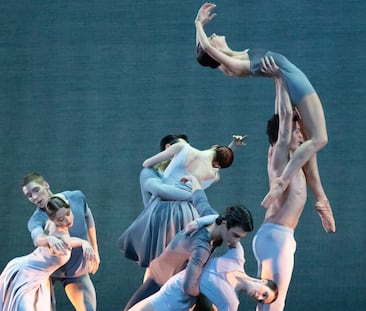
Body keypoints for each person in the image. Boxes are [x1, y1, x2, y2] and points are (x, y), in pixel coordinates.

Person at [194, 2, 335, 232]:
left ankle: (321, 201)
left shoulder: (233, 58)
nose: (215, 34)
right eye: (211, 38)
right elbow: (207, 52)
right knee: (320, 139)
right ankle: (283, 183)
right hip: (291, 78)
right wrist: (198, 24)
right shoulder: (233, 65)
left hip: (286, 80)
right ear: (213, 50)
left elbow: (206, 53)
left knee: (309, 154)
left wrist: (200, 34)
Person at [118, 134, 247, 277]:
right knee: (181, 266)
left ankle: (151, 297)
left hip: (165, 210)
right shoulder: (214, 175)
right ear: (217, 164)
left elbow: (146, 164)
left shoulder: (182, 148)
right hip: (189, 214)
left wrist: (168, 158)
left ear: (215, 147)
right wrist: (232, 147)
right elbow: (221, 161)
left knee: (156, 265)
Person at [123, 174, 254, 310]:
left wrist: (194, 179)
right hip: (159, 282)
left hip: (169, 282)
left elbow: (200, 199)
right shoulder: (201, 247)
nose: (236, 241)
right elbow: (189, 287)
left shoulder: (210, 218)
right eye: (235, 235)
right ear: (225, 223)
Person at [252, 73, 310, 310]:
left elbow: (282, 116)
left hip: (278, 236)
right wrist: (281, 78)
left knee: (268, 301)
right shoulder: (279, 153)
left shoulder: (288, 159)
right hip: (276, 237)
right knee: (274, 303)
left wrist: (279, 84)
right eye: (297, 131)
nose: (301, 135)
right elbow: (283, 120)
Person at [0, 194, 95, 311]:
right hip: (25, 275)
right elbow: (41, 239)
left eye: (68, 213)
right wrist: (50, 239)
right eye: (61, 219)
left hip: (40, 279)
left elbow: (85, 213)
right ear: (52, 220)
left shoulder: (63, 217)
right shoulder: (55, 231)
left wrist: (88, 245)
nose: (67, 220)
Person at [22, 173, 100, 311]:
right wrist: (49, 238)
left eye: (36, 190)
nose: (34, 197)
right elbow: (38, 238)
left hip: (75, 270)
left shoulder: (76, 197)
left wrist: (94, 249)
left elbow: (88, 216)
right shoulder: (36, 220)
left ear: (46, 185)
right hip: (46, 273)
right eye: (29, 195)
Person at [128, 242, 277, 311]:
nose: (259, 297)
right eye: (264, 293)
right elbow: (228, 226)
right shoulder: (236, 258)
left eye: (261, 300)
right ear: (263, 281)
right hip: (167, 290)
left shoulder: (230, 302)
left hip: (172, 303)